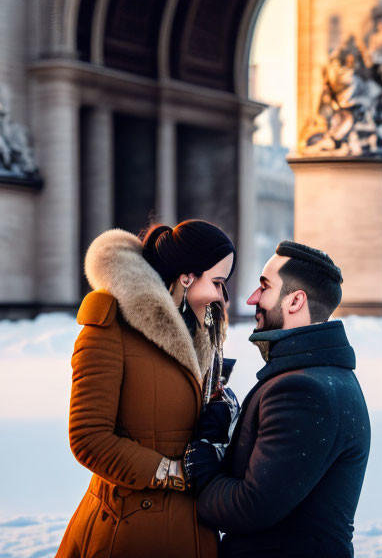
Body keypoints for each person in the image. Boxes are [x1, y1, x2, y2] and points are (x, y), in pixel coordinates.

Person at [56, 220, 235, 558]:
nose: (221, 296)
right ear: (186, 277)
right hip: (129, 529)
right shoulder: (108, 329)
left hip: (193, 528)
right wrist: (172, 472)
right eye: (217, 282)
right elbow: (88, 437)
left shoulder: (202, 335)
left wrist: (223, 419)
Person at [186, 240, 370, 558]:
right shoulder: (319, 375)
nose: (252, 299)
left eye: (265, 287)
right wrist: (225, 432)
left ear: (295, 300)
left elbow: (250, 507)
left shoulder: (303, 391)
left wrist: (200, 459)